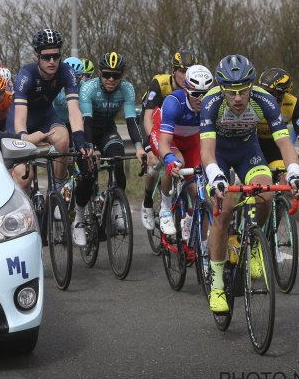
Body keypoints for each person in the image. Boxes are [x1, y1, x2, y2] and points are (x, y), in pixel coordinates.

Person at [200, 54, 299, 313]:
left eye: (243, 91)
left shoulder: (265, 100)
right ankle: (216, 285)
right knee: (223, 211)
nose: (238, 98)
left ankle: (255, 244)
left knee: (266, 195)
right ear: (222, 89)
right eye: (232, 92)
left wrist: (294, 172)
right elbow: (207, 151)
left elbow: (284, 143)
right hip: (220, 155)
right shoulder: (211, 102)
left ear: (251, 88)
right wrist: (216, 177)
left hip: (249, 151)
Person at [8, 29, 93, 208]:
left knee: (63, 139)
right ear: (37, 56)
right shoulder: (27, 74)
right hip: (22, 119)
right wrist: (24, 139)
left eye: (56, 56)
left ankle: (57, 189)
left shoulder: (66, 72)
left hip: (46, 116)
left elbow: (74, 111)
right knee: (25, 178)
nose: (52, 61)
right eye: (47, 57)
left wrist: (80, 138)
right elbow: (20, 118)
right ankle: (22, 209)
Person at [73, 52, 146, 245]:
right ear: (100, 73)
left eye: (116, 75)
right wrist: (88, 149)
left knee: (118, 162)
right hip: (87, 129)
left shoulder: (127, 89)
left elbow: (131, 121)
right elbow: (86, 121)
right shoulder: (89, 88)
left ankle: (115, 207)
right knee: (89, 173)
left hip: (107, 130)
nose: (111, 79)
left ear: (122, 75)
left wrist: (138, 147)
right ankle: (79, 217)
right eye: (107, 74)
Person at [140, 49, 198, 232]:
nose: (185, 75)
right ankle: (148, 203)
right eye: (181, 71)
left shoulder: (195, 87)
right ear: (173, 71)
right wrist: (150, 147)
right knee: (156, 164)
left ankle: (188, 210)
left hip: (180, 130)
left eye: (188, 71)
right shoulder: (160, 83)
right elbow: (148, 118)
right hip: (155, 123)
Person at [152, 65, 213, 235]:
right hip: (166, 137)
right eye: (195, 94)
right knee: (178, 162)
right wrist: (169, 160)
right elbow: (164, 143)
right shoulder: (174, 102)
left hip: (191, 140)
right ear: (186, 89)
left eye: (205, 94)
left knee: (197, 190)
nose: (201, 99)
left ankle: (194, 222)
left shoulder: (213, 105)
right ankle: (164, 207)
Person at [257, 68, 299, 178]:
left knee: (284, 179)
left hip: (276, 146)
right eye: (263, 91)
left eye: (270, 93)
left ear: (282, 93)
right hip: (254, 145)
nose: (265, 96)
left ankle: (280, 195)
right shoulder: (254, 100)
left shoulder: (293, 104)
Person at [53, 56, 95, 132]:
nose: (72, 79)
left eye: (76, 76)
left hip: (75, 122)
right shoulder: (54, 84)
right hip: (56, 122)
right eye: (68, 76)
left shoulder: (84, 87)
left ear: (81, 76)